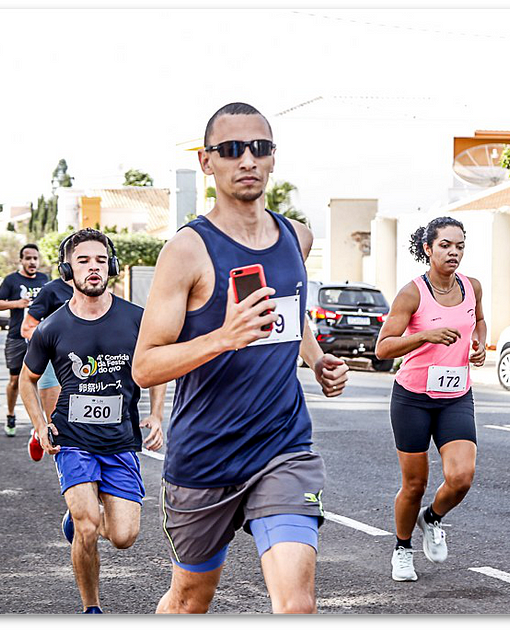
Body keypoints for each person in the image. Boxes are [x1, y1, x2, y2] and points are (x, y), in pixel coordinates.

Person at [132, 102, 349, 614]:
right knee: (190, 599)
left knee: (297, 605)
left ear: (273, 159)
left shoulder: (297, 237)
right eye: (231, 150)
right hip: (204, 456)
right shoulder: (187, 250)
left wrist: (315, 359)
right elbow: (144, 366)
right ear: (208, 162)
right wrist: (223, 337)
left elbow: (290, 317)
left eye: (260, 148)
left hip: (283, 448)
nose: (246, 159)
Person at [19, 229, 166, 614]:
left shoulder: (137, 319)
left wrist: (155, 414)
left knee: (123, 536)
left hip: (120, 441)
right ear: (69, 269)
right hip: (72, 439)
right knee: (87, 528)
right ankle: (92, 607)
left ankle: (79, 511)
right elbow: (27, 379)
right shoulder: (52, 326)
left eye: (101, 260)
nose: (94, 268)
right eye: (84, 261)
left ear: (112, 266)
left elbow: (158, 368)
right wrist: (40, 423)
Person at [374, 217, 485, 582]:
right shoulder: (412, 293)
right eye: (445, 245)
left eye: (459, 246)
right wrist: (426, 336)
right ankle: (402, 548)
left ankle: (432, 518)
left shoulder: (472, 287)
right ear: (428, 249)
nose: (454, 252)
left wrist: (479, 343)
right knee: (415, 484)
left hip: (456, 396)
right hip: (413, 398)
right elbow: (383, 348)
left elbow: (479, 320)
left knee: (461, 477)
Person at [0, 244, 49, 437]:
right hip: (16, 336)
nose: (32, 262)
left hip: (39, 337)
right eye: (28, 258)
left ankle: (42, 421)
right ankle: (10, 414)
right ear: (21, 260)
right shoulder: (11, 280)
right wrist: (17, 303)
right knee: (15, 380)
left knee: (42, 379)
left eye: (35, 258)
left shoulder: (44, 280)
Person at [20, 274, 74, 461]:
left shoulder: (101, 293)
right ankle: (39, 432)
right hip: (53, 363)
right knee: (57, 427)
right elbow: (26, 329)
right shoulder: (51, 290)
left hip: (86, 362)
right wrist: (60, 336)